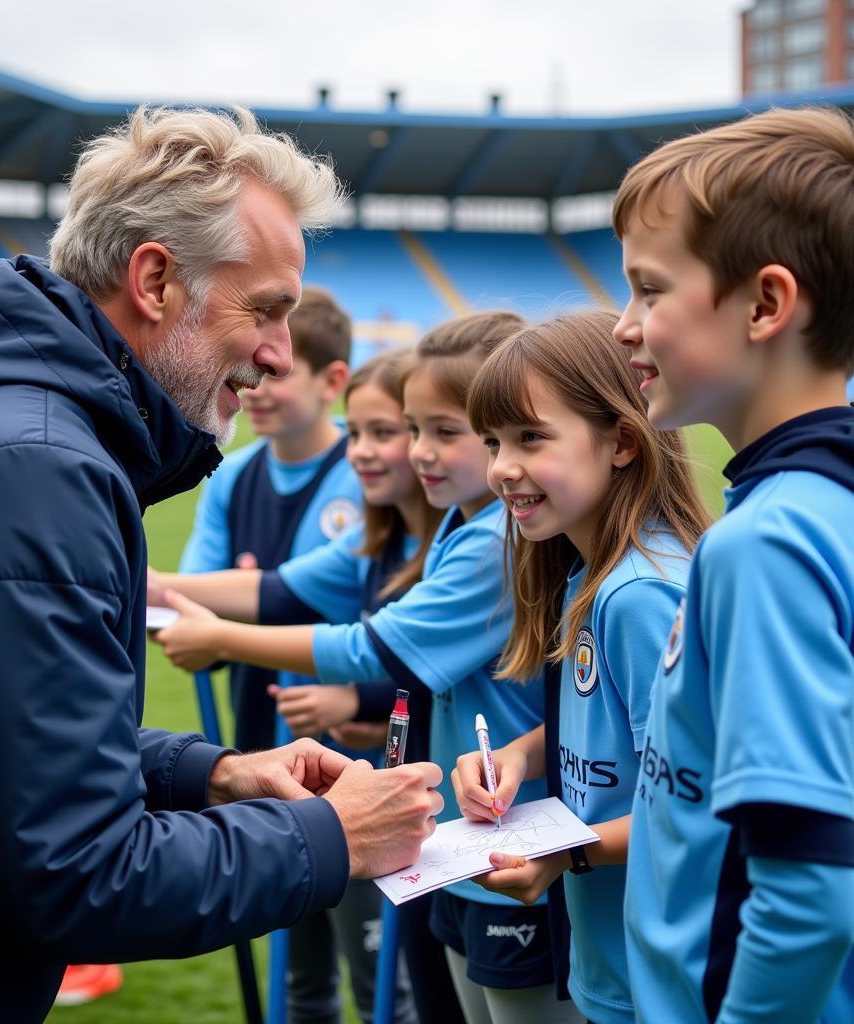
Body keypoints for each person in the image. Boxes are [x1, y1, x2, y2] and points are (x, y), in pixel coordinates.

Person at [0, 105, 443, 1024]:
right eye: (266, 310)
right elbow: (78, 875)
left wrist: (212, 775)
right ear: (155, 280)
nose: (279, 354)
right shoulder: (27, 469)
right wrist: (331, 835)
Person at [157, 312, 581, 1024]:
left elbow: (376, 648)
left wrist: (226, 638)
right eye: (409, 429)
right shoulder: (456, 522)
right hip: (468, 835)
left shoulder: (494, 537)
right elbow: (285, 590)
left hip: (514, 840)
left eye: (443, 432)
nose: (418, 453)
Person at [612, 106, 854, 1023]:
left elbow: (806, 903)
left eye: (649, 290)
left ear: (764, 305)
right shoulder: (820, 509)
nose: (625, 325)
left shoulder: (766, 547)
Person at [152, 348, 462, 1024]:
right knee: (308, 978)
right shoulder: (370, 541)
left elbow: (386, 655)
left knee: (401, 987)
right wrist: (153, 586)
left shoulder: (461, 544)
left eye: (395, 432)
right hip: (324, 779)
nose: (370, 452)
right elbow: (273, 591)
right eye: (363, 433)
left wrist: (357, 700)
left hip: (421, 803)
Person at [451, 311, 711, 1024]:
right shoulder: (587, 574)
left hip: (664, 979)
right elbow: (612, 733)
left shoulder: (642, 596)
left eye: (531, 437)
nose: (502, 466)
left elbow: (694, 802)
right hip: (617, 960)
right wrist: (517, 755)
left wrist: (569, 856)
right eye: (493, 441)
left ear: (622, 441)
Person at [172, 284, 361, 755]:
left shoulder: (371, 472)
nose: (256, 386)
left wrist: (245, 592)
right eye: (253, 364)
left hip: (354, 737)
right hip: (256, 726)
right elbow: (193, 599)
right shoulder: (228, 474)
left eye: (279, 374)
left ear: (333, 382)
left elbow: (361, 600)